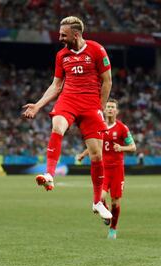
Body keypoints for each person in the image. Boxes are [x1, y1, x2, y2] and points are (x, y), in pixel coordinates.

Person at [22, 16, 112, 220]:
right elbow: (56, 85)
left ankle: (98, 202)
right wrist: (37, 105)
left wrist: (100, 107)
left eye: (63, 34)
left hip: (91, 104)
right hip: (69, 99)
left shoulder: (97, 50)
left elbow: (107, 81)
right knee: (57, 126)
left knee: (97, 155)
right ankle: (49, 174)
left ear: (76, 34)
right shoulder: (61, 55)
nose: (60, 37)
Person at [78, 99, 136, 239]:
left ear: (116, 111)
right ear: (104, 110)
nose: (110, 109)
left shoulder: (123, 128)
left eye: (113, 107)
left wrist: (121, 148)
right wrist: (83, 154)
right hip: (103, 170)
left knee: (115, 202)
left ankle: (113, 229)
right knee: (101, 197)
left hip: (117, 170)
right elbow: (94, 145)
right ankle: (106, 214)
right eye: (108, 107)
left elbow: (133, 147)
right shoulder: (99, 126)